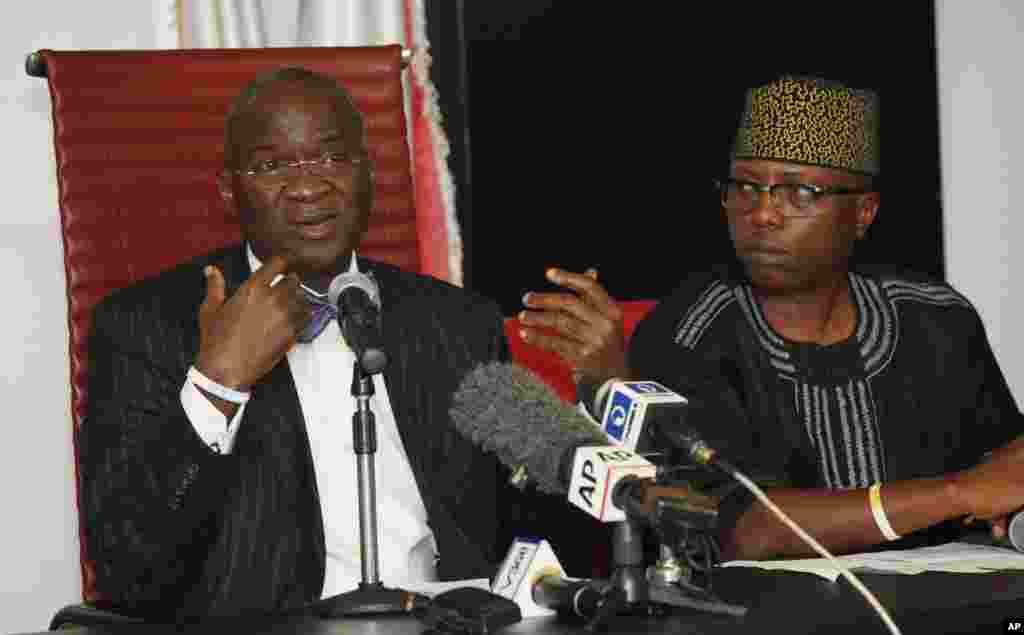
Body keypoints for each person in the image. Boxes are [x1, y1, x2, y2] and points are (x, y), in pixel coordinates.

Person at [519, 76, 1024, 562]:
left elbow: (1004, 469)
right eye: (745, 187)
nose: (762, 214)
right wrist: (958, 493)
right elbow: (741, 530)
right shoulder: (691, 332)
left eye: (800, 193)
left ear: (864, 211)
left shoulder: (936, 318)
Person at [79, 67, 524, 619]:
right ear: (228, 189)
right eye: (271, 166)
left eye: (333, 157)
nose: (310, 186)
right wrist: (218, 381)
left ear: (368, 173)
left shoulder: (460, 322)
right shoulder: (144, 326)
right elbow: (129, 565)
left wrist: (603, 389)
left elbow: (537, 523)